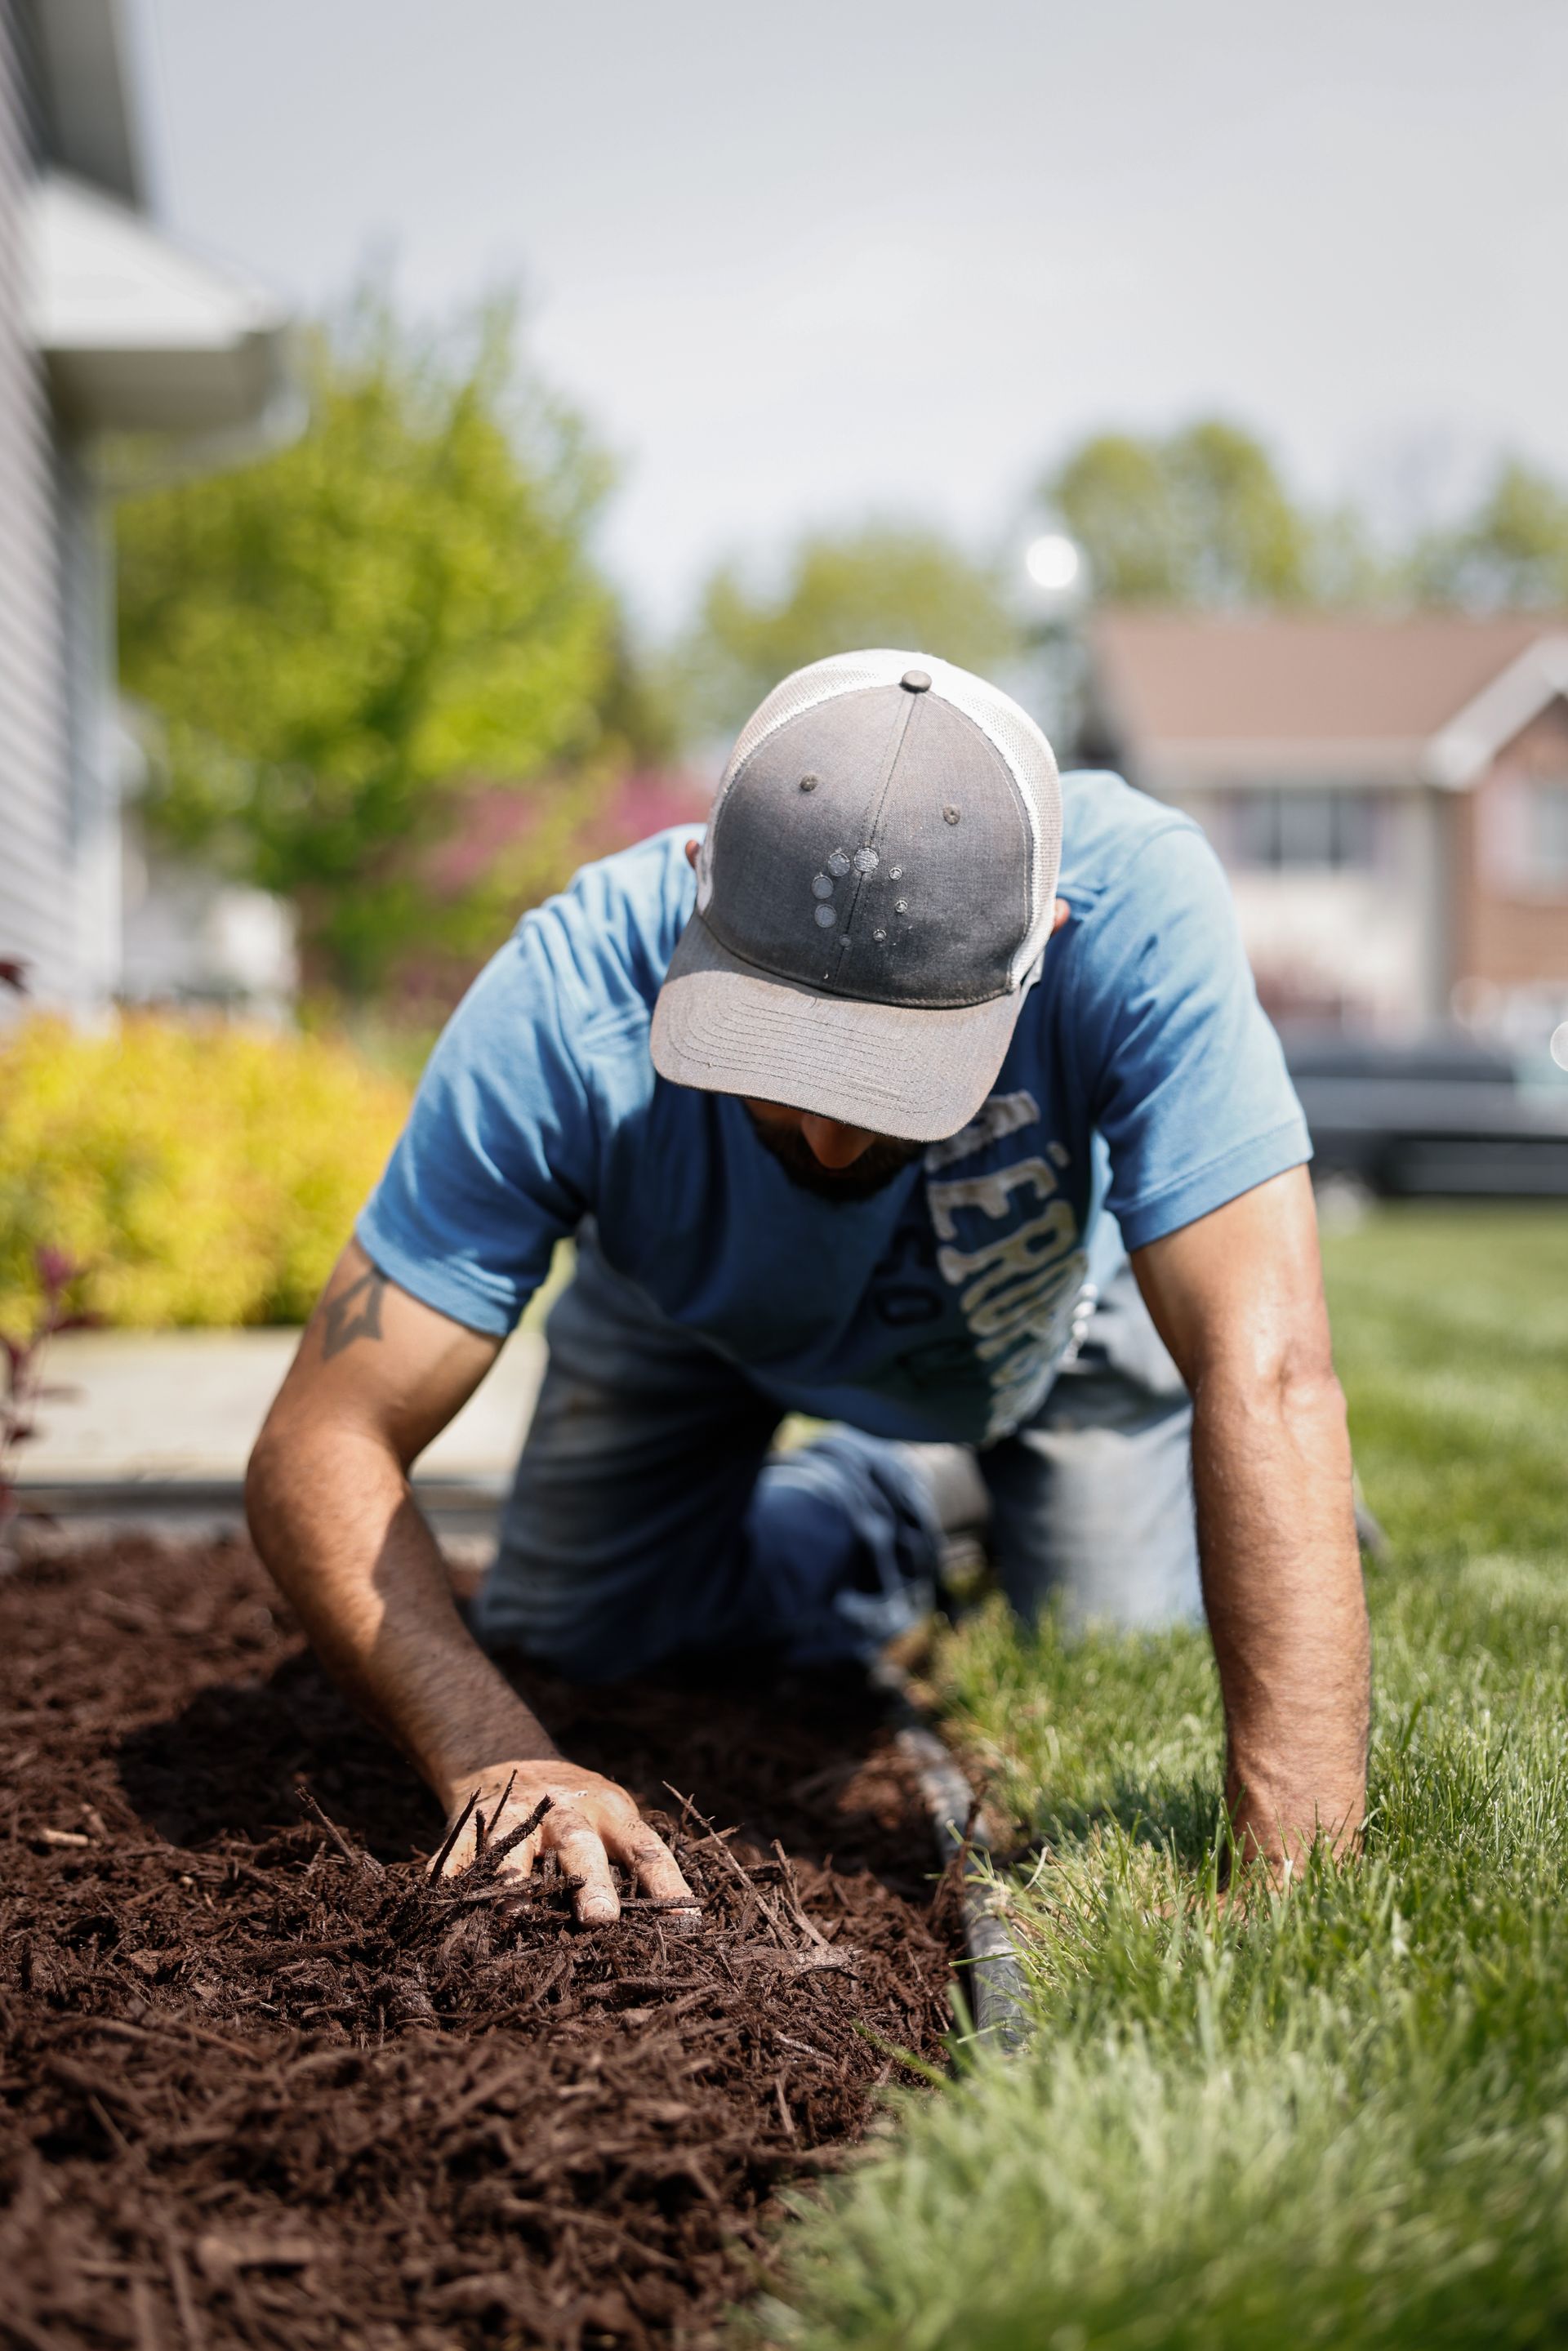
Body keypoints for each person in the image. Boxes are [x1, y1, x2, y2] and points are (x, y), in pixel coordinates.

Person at [247, 651, 1370, 1927]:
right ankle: (895, 1508)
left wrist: (1296, 1895)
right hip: (690, 1311)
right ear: (694, 897)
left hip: (1046, 1327)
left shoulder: (1140, 901)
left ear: (1042, 944)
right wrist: (490, 1754)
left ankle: (1159, 1493)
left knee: (1112, 1647)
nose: (832, 1144)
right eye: (778, 1053)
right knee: (578, 1640)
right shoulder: (564, 1000)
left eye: (899, 1074)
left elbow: (1267, 1370)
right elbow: (319, 1436)